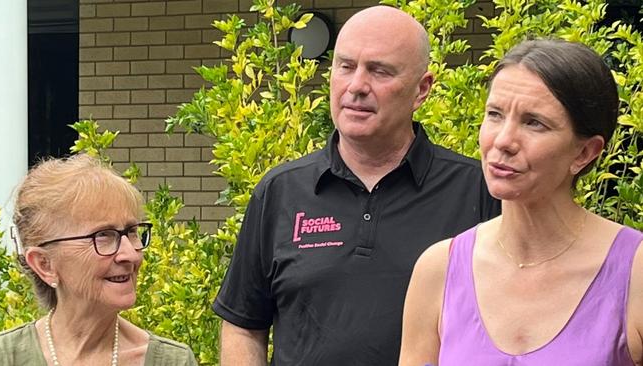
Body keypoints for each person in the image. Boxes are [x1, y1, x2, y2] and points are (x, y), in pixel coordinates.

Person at [212, 5, 500, 365]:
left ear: (421, 90)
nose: (357, 86)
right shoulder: (281, 191)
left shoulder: (479, 192)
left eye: (380, 71)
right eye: (346, 66)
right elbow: (243, 325)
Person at [399, 39, 643, 365]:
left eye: (534, 123)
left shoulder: (633, 272)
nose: (503, 141)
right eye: (495, 114)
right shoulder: (439, 270)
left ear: (584, 153)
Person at [0, 154, 197, 365]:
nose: (131, 254)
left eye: (132, 231)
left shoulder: (171, 361)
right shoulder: (3, 358)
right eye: (103, 235)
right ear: (45, 264)